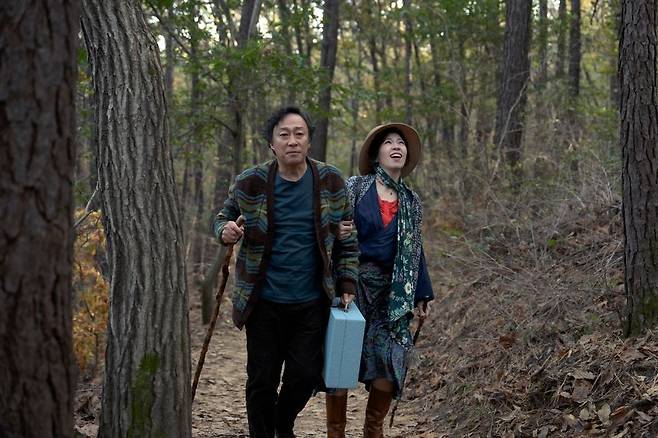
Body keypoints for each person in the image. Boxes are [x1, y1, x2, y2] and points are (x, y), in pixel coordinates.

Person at [212, 106, 359, 438]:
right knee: (261, 380)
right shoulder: (250, 182)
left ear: (308, 141)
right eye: (284, 135)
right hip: (263, 300)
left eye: (299, 134)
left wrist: (348, 281)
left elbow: (348, 238)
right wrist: (225, 231)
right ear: (271, 143)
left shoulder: (331, 181)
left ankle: (282, 422)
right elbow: (222, 218)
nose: (292, 141)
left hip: (311, 301)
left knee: (305, 375)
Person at [326, 123, 434, 438]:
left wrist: (422, 293)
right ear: (376, 155)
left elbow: (415, 250)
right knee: (342, 360)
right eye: (388, 142)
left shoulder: (412, 202)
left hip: (393, 295)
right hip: (353, 285)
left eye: (401, 143)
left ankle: (373, 430)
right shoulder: (356, 188)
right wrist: (336, 233)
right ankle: (336, 432)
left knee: (391, 361)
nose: (396, 146)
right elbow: (331, 226)